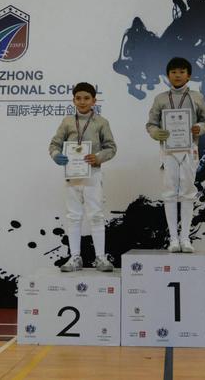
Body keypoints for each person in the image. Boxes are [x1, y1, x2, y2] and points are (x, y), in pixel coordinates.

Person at [146, 57, 205, 253]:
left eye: (182, 72)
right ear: (168, 75)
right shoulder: (160, 99)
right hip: (168, 151)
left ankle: (185, 238)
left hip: (189, 150)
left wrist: (199, 127)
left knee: (187, 193)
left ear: (189, 75)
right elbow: (151, 124)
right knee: (169, 193)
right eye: (174, 72)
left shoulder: (196, 97)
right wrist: (156, 133)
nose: (178, 75)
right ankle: (173, 239)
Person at [48, 82, 117, 272]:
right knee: (73, 216)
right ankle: (75, 257)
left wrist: (98, 157)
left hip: (92, 174)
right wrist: (56, 155)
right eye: (78, 98)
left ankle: (100, 258)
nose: (82, 101)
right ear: (73, 100)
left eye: (87, 98)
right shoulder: (67, 122)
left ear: (94, 100)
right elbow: (54, 144)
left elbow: (111, 148)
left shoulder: (101, 122)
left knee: (96, 215)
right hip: (72, 175)